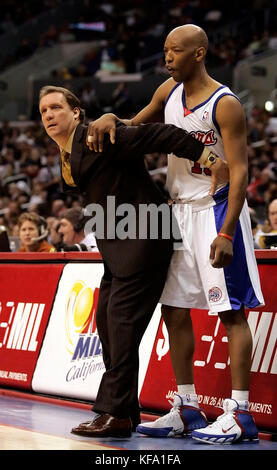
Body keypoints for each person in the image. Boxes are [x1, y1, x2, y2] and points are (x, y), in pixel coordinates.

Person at [86, 24, 264, 444]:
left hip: (215, 211)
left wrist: (225, 232)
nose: (167, 57)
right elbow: (133, 128)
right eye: (165, 50)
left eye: (175, 51)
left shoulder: (225, 104)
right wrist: (113, 117)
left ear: (199, 53)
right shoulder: (167, 92)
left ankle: (239, 413)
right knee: (173, 308)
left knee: (231, 312)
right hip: (177, 212)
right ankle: (186, 407)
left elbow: (239, 170)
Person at [39, 84, 228, 438]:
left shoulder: (99, 136)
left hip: (145, 238)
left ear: (76, 112)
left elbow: (163, 133)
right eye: (43, 111)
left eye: (55, 108)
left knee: (123, 327)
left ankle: (115, 415)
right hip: (117, 246)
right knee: (108, 326)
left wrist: (211, 160)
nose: (48, 115)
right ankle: (124, 411)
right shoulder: (66, 153)